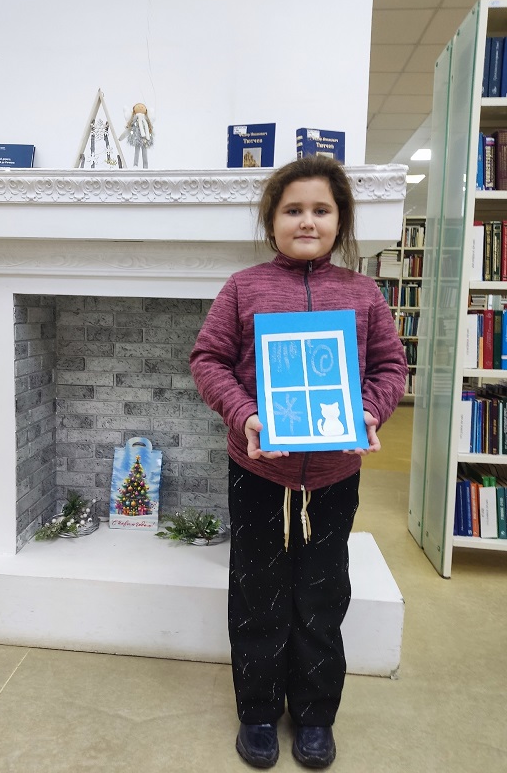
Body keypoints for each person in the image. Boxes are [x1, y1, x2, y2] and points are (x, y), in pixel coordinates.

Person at [189, 155, 407, 769]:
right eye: (292, 210)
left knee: (322, 594)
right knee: (256, 591)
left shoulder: (364, 294)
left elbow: (391, 367)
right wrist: (245, 415)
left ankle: (314, 714)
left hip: (334, 477)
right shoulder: (243, 288)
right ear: (272, 221)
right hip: (258, 471)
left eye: (320, 210)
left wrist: (370, 411)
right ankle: (258, 711)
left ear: (340, 221)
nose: (306, 221)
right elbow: (208, 360)